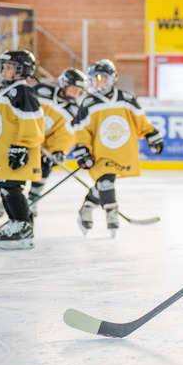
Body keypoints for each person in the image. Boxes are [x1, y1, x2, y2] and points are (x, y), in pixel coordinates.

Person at [70, 59, 164, 236]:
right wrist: (82, 150)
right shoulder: (88, 103)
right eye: (94, 79)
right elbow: (81, 130)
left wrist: (152, 135)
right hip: (100, 154)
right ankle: (111, 213)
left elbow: (141, 122)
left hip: (122, 152)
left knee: (103, 183)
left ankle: (86, 208)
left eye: (101, 78)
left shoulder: (126, 98)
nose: (97, 82)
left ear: (112, 78)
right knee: (106, 180)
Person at [0, 68, 86, 219]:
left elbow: (65, 134)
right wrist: (27, 135)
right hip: (25, 138)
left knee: (46, 166)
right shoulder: (41, 91)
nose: (75, 93)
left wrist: (59, 151)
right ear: (63, 84)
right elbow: (22, 108)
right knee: (18, 168)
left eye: (78, 91)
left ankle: (33, 200)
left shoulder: (74, 110)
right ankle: (9, 201)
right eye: (73, 89)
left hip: (45, 145)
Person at [0, 50, 45, 249]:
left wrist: (22, 147)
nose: (4, 71)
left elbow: (33, 124)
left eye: (9, 68)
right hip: (3, 152)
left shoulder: (23, 92)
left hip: (16, 153)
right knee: (4, 187)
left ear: (22, 71)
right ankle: (17, 222)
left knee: (11, 187)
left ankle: (23, 225)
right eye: (4, 67)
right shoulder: (4, 91)